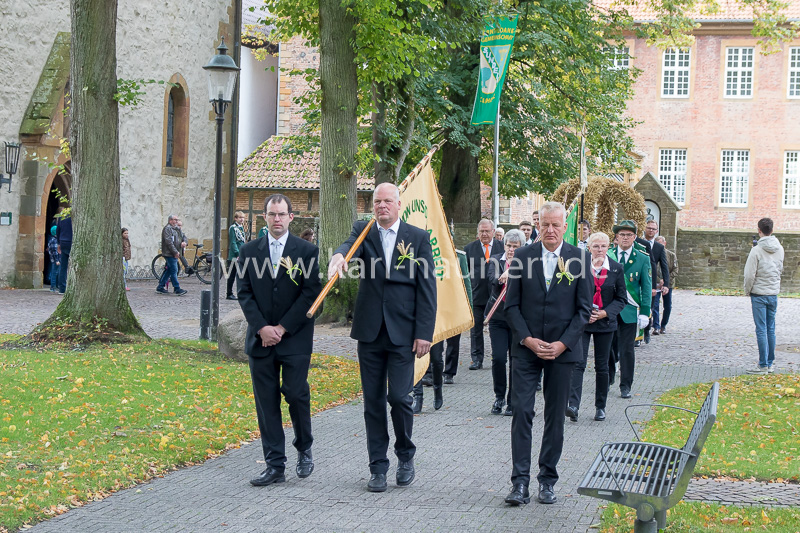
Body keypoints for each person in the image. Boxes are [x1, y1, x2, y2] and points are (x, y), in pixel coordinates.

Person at [328, 182, 437, 492]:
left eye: (388, 201)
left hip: (404, 333)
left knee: (400, 398)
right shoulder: (364, 230)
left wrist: (424, 332)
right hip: (370, 332)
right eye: (377, 201)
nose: (382, 206)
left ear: (399, 205)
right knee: (373, 402)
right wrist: (338, 256)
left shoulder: (417, 238)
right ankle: (377, 467)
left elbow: (427, 289)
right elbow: (348, 246)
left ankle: (405, 456)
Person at [503, 201, 593, 506]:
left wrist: (563, 344)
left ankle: (547, 480)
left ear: (565, 226)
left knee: (555, 416)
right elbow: (511, 306)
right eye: (545, 225)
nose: (550, 230)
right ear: (538, 226)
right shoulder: (523, 257)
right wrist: (527, 339)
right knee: (521, 411)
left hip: (561, 352)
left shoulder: (579, 258)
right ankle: (520, 482)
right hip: (526, 350)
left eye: (556, 225)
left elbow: (583, 310)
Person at [236, 193, 322, 486]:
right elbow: (244, 292)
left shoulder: (307, 251)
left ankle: (304, 446)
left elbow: (311, 294)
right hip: (261, 340)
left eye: (281, 214)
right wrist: (262, 327)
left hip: (295, 338)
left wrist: (282, 328)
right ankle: (275, 465)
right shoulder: (249, 251)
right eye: (272, 214)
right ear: (264, 217)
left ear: (290, 218)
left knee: (296, 393)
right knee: (266, 402)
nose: (276, 219)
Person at [566, 232, 626, 423]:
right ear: (589, 247)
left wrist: (604, 313)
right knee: (578, 363)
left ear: (608, 247)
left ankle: (600, 406)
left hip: (605, 323)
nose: (600, 250)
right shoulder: (580, 267)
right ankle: (573, 405)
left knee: (602, 366)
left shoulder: (616, 268)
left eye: (603, 246)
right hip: (583, 322)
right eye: (596, 246)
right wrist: (584, 313)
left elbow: (621, 298)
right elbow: (572, 294)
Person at [609, 220, 651, 399]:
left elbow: (646, 287)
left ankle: (625, 385)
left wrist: (645, 312)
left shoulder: (642, 258)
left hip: (629, 310)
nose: (625, 238)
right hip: (609, 310)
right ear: (616, 237)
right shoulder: (608, 255)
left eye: (629, 235)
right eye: (622, 235)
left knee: (627, 350)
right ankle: (608, 377)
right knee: (608, 348)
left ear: (634, 237)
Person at [487, 229, 524, 416]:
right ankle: (499, 396)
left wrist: (514, 270)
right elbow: (492, 280)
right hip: (498, 317)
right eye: (509, 246)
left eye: (515, 247)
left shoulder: (527, 263)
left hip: (517, 319)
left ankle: (512, 401)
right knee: (499, 358)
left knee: (515, 360)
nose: (511, 250)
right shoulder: (495, 260)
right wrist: (503, 275)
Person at [744, 217, 784, 374]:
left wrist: (747, 290)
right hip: (773, 293)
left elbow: (749, 275)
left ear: (759, 230)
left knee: (761, 329)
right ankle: (770, 363)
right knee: (770, 329)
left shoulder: (756, 250)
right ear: (772, 230)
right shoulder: (780, 249)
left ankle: (763, 365)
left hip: (759, 293)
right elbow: (779, 269)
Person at [464, 219, 503, 369]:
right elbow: (465, 272)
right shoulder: (469, 249)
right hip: (477, 295)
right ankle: (477, 359)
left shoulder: (502, 247)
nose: (484, 234)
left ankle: (497, 357)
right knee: (475, 329)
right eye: (482, 231)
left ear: (493, 232)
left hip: (497, 296)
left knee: (497, 328)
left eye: (487, 231)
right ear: (478, 232)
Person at [637, 220, 669, 343]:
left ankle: (646, 331)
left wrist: (666, 284)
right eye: (649, 228)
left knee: (649, 307)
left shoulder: (659, 247)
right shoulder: (637, 242)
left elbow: (664, 266)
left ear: (656, 231)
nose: (651, 230)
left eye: (653, 229)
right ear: (645, 229)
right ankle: (637, 336)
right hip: (637, 279)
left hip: (651, 281)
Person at [156, 215, 187, 296]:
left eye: (177, 220)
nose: (176, 221)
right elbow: (169, 242)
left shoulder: (176, 228)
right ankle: (176, 288)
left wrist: (184, 242)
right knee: (174, 270)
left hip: (175, 253)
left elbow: (184, 236)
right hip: (169, 253)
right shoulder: (167, 229)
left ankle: (160, 287)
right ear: (170, 220)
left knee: (169, 270)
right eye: (175, 220)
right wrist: (175, 252)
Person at [655, 236, 677, 334]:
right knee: (655, 305)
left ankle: (663, 325)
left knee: (667, 306)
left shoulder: (671, 255)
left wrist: (666, 280)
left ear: (665, 243)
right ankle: (656, 326)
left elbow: (675, 270)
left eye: (661, 244)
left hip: (668, 284)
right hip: (656, 284)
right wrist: (658, 280)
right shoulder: (652, 254)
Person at [226, 211, 246, 300]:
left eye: (243, 218)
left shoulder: (241, 228)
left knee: (241, 275)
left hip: (241, 254)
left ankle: (241, 292)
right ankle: (229, 293)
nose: (242, 219)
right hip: (234, 256)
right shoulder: (233, 228)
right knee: (232, 275)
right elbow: (233, 242)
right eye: (240, 218)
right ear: (235, 218)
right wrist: (238, 253)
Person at [56, 213, 72, 294]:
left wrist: (58, 243)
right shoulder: (76, 215)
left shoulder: (62, 216)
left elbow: (58, 230)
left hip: (63, 241)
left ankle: (62, 288)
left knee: (63, 267)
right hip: (71, 241)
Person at [47, 226, 60, 293]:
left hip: (54, 259)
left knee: (56, 272)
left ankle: (56, 286)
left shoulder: (53, 239)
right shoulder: (54, 240)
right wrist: (57, 260)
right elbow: (55, 251)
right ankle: (53, 287)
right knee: (54, 273)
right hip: (55, 259)